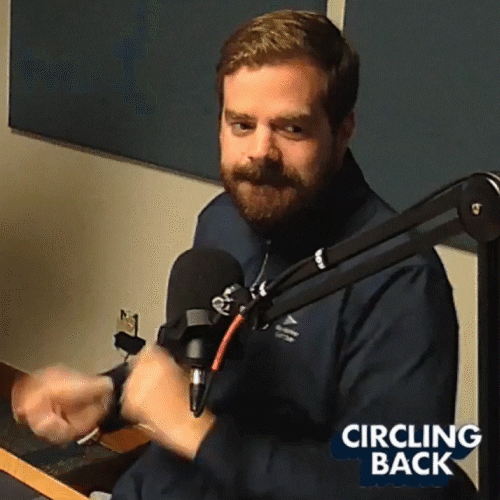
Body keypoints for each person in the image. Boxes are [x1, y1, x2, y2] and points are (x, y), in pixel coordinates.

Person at [11, 10, 477, 500]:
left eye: (291, 129)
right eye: (241, 124)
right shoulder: (221, 222)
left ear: (344, 130)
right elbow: (189, 359)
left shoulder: (401, 281)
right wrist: (110, 393)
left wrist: (203, 438)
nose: (260, 152)